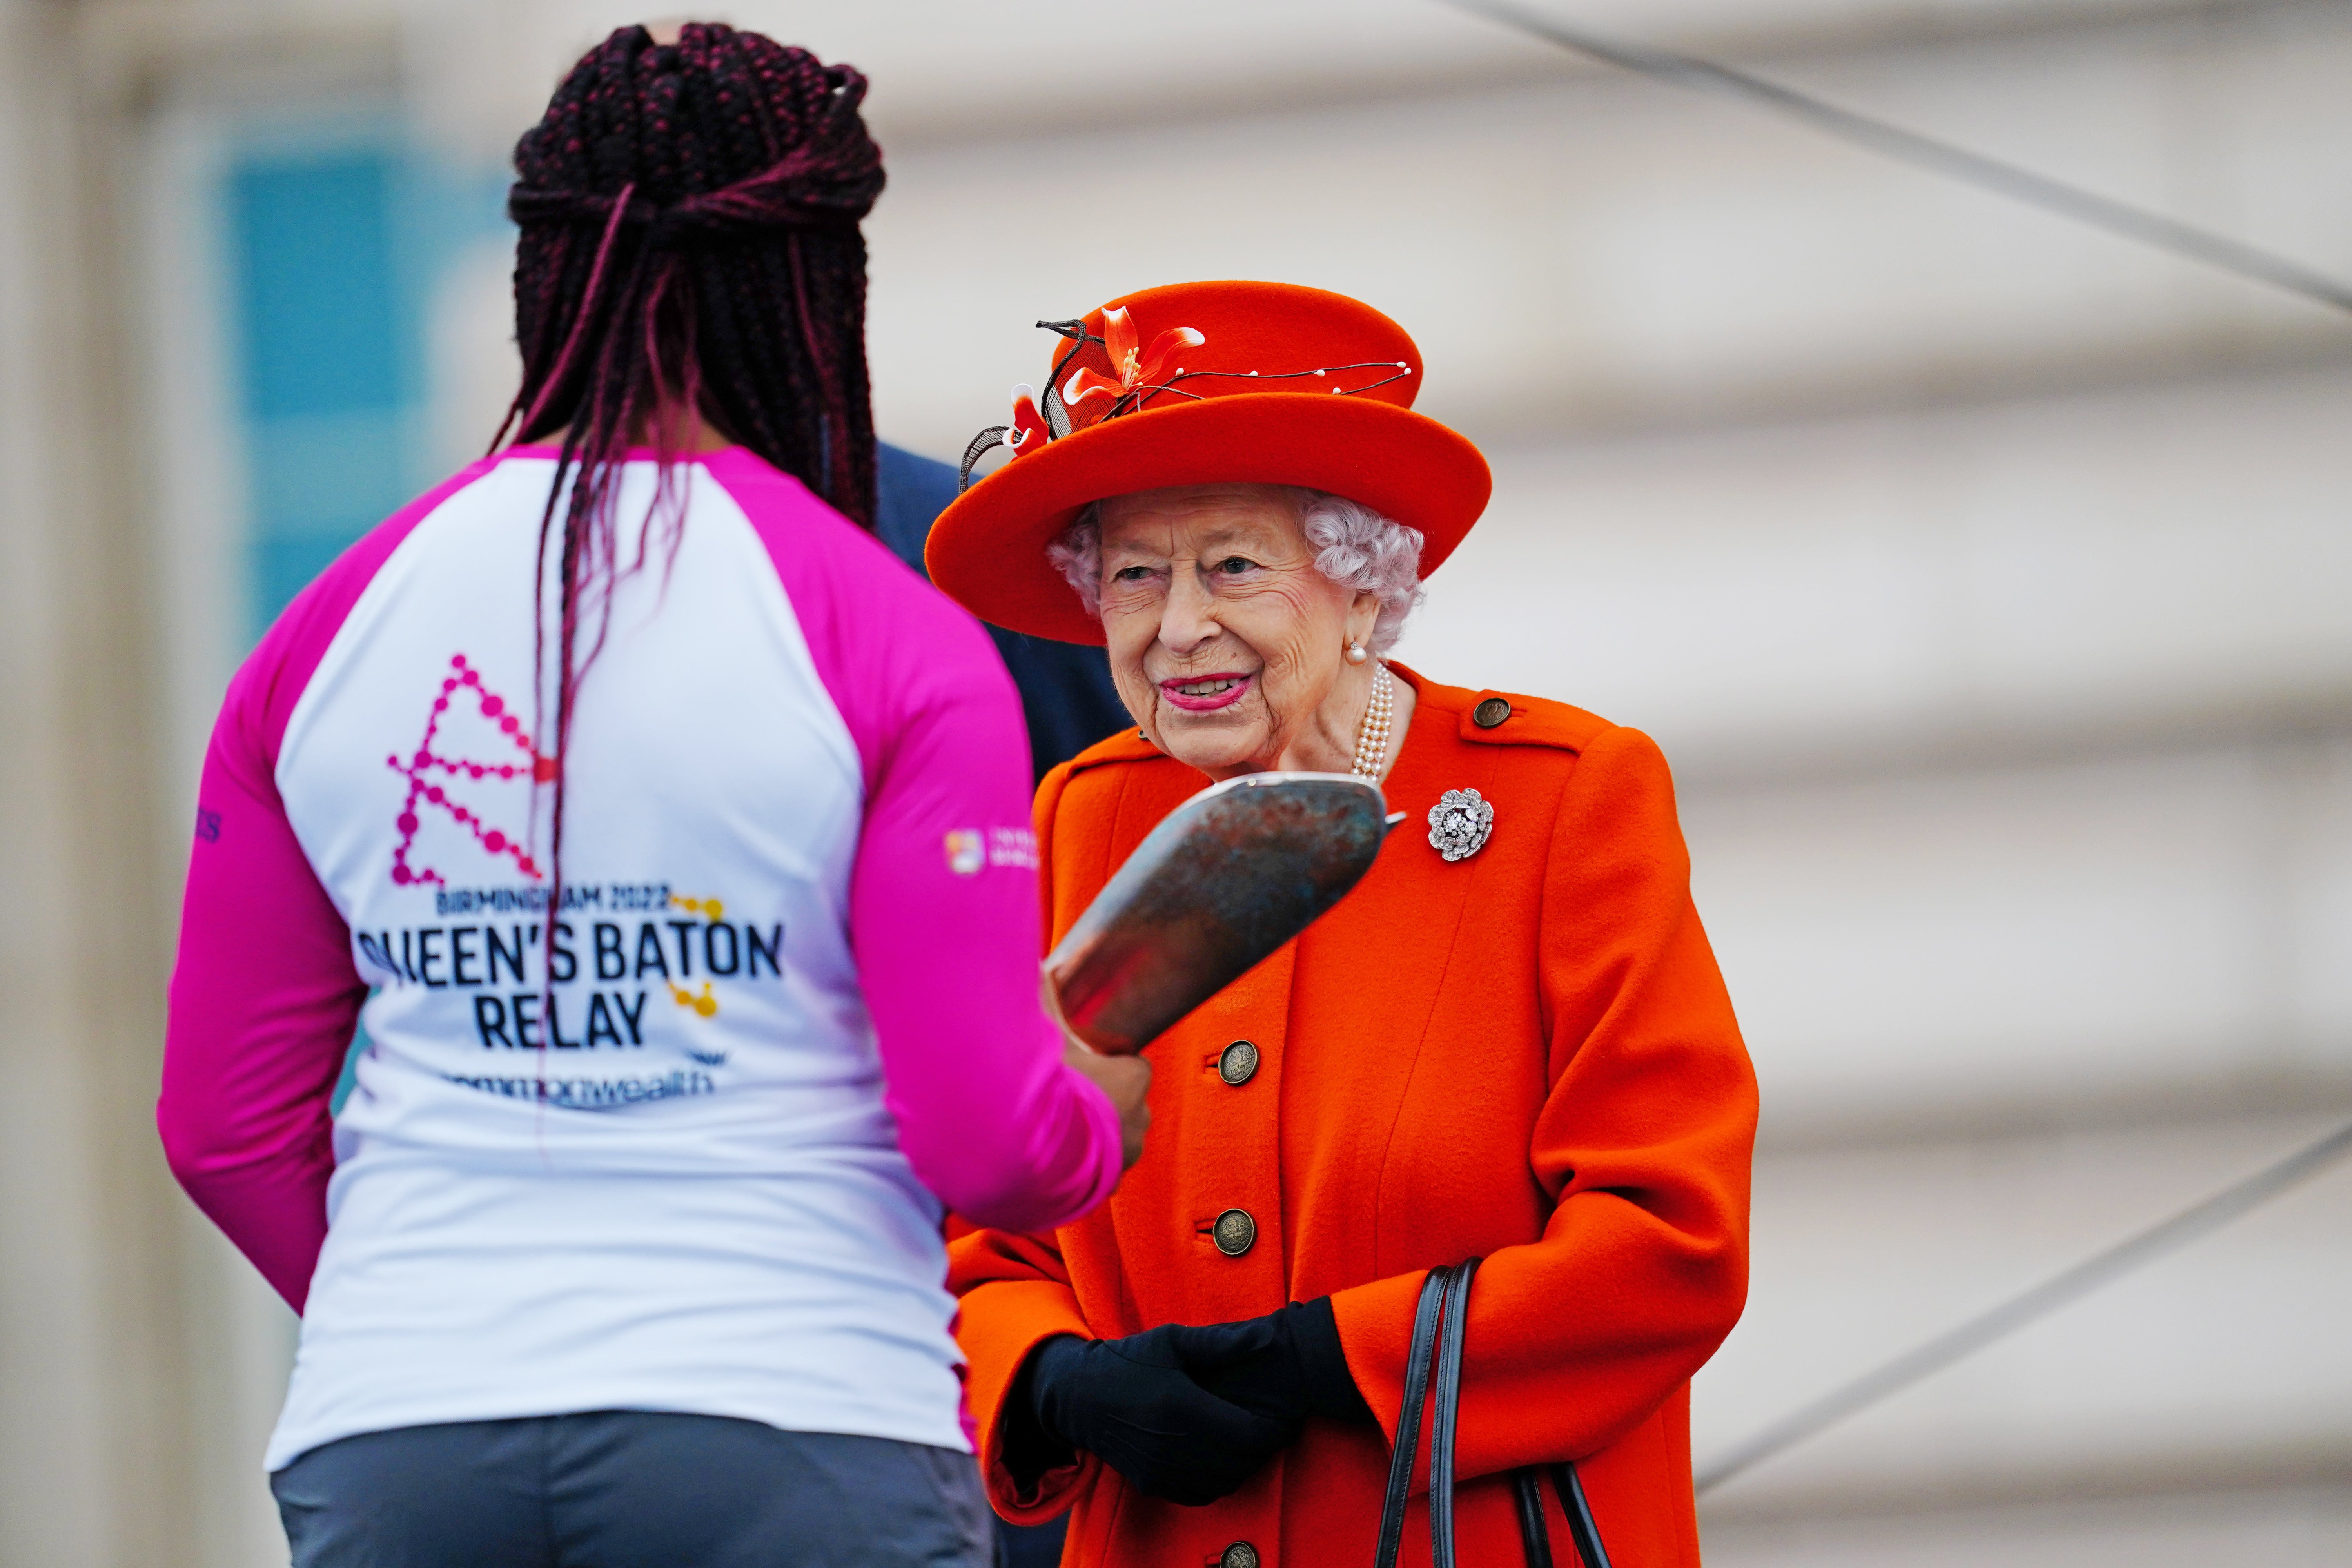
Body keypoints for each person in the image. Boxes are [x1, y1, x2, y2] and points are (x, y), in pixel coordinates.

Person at [156, 25, 1149, 1568]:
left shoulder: (327, 627)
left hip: (400, 1438)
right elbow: (986, 1139)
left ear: (540, 279)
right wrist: (1099, 1106)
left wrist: (426, 1319)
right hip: (793, 1421)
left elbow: (221, 1129)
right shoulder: (889, 625)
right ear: (815, 286)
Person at [931, 281, 1759, 1568]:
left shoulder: (1557, 800)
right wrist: (1053, 1381)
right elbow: (990, 1230)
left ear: (1365, 591)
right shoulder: (1078, 823)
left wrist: (1326, 1358)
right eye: (1136, 574)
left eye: (1234, 567)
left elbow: (1668, 1240)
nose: (1178, 626)